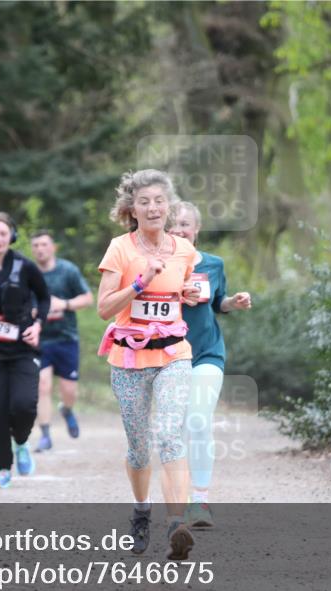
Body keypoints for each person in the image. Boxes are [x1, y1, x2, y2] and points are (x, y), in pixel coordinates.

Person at [97, 169, 201, 560]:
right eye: (144, 202)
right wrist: (139, 283)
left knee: (171, 434)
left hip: (175, 354)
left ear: (169, 205)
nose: (153, 207)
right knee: (139, 448)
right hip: (128, 359)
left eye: (159, 200)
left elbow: (181, 292)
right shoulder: (120, 249)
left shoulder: (184, 250)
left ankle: (178, 524)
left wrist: (186, 293)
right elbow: (105, 307)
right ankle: (142, 511)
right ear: (131, 209)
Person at [169, 201, 252, 529]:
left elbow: (218, 301)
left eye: (185, 224)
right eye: (172, 224)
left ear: (197, 229)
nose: (178, 229)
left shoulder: (214, 264)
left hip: (206, 353)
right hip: (166, 356)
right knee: (171, 431)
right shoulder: (154, 265)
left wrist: (234, 302)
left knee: (199, 420)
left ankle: (199, 501)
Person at [0, 212, 50, 488]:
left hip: (22, 350)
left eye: (3, 233)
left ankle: (21, 441)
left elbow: (44, 297)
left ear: (11, 236)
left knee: (24, 405)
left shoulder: (26, 267)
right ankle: (4, 469)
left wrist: (38, 324)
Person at [30, 229, 93, 452]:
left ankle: (66, 410)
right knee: (42, 385)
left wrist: (63, 304)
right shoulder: (28, 274)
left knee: (69, 391)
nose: (40, 249)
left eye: (44, 244)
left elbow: (88, 298)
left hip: (66, 338)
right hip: (40, 340)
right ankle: (45, 435)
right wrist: (32, 312)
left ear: (53, 247)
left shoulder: (68, 271)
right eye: (36, 245)